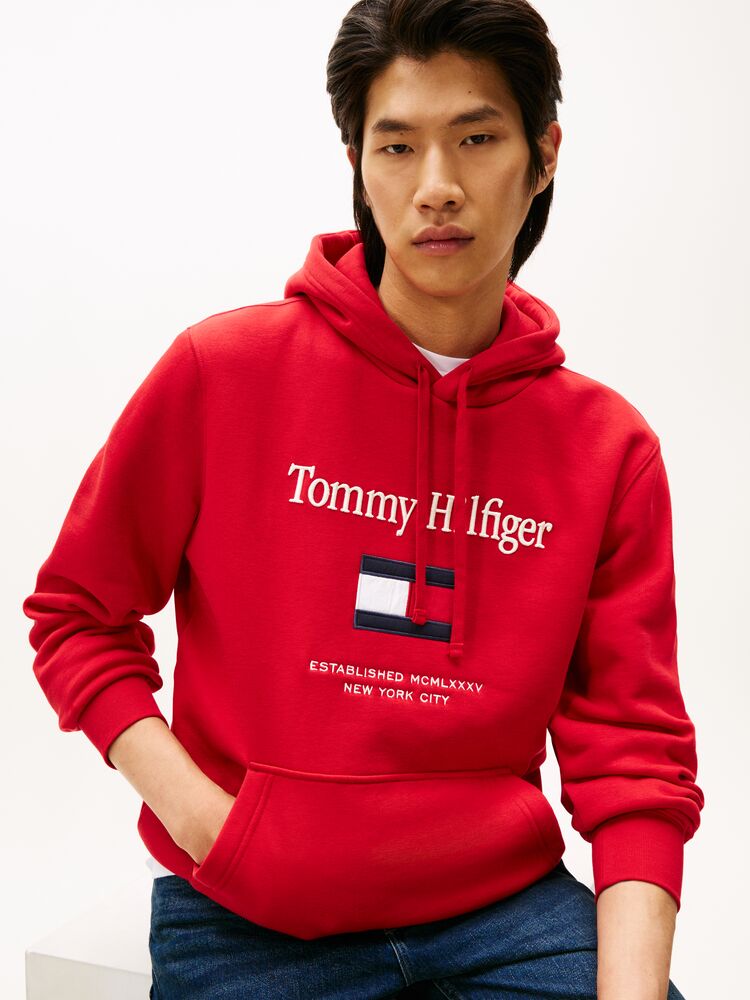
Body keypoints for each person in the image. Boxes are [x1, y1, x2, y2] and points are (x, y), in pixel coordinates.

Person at [22, 1, 703, 997]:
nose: (437, 186)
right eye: (398, 146)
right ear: (358, 162)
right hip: (249, 920)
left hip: (505, 914)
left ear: (544, 157)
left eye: (477, 138)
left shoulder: (607, 449)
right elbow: (77, 614)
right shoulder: (224, 371)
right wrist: (211, 825)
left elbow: (635, 757)